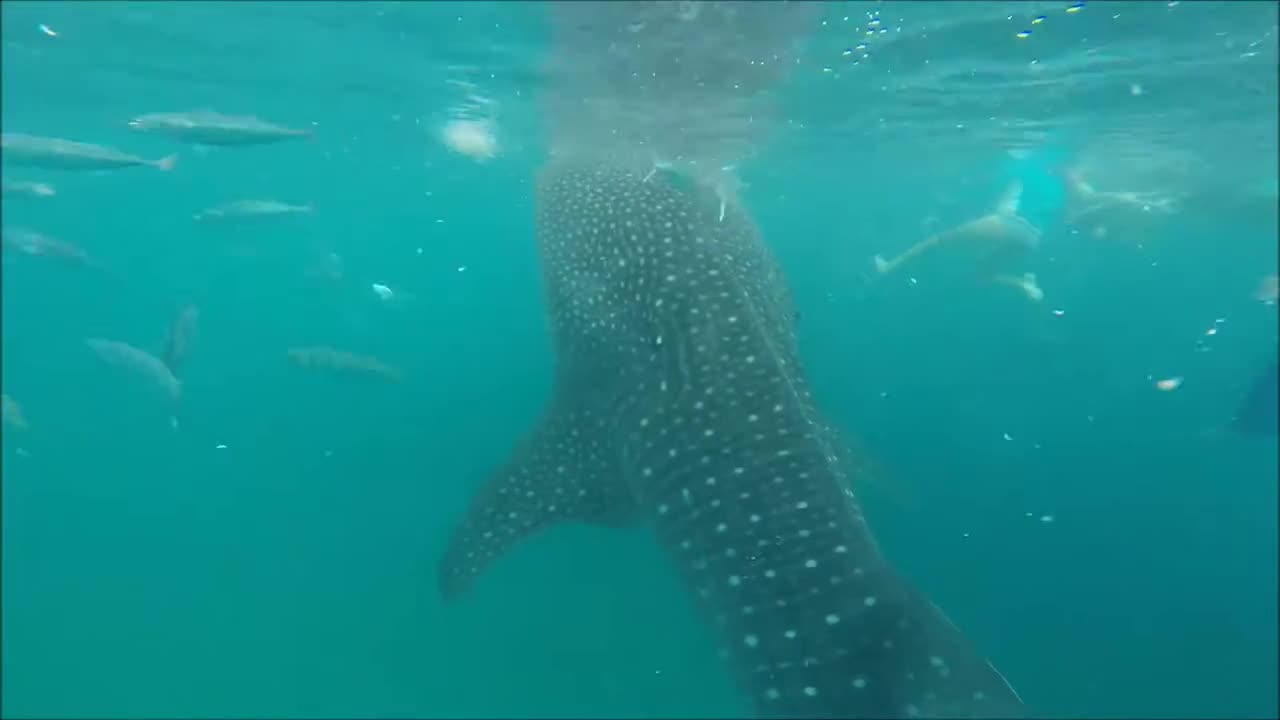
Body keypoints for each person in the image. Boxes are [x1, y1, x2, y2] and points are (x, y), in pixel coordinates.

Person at [873, 144, 1068, 302]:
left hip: (1006, 225)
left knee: (935, 242)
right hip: (1029, 237)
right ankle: (1024, 284)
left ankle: (889, 266)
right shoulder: (1013, 168)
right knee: (980, 276)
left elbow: (1004, 194)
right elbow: (1011, 192)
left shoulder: (991, 167)